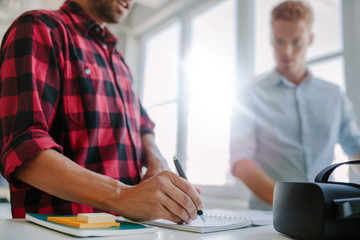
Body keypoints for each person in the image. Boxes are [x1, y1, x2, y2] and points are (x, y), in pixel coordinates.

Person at [0, 0, 203, 222]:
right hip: (61, 231)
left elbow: (143, 126)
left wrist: (156, 161)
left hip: (127, 229)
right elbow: (23, 149)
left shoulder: (118, 60)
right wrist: (122, 195)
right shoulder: (40, 27)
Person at [230, 0, 360, 210]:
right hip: (270, 216)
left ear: (310, 39)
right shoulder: (249, 95)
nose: (287, 52)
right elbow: (240, 159)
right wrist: (291, 202)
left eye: (296, 42)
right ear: (271, 40)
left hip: (326, 213)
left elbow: (355, 147)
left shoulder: (334, 96)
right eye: (279, 42)